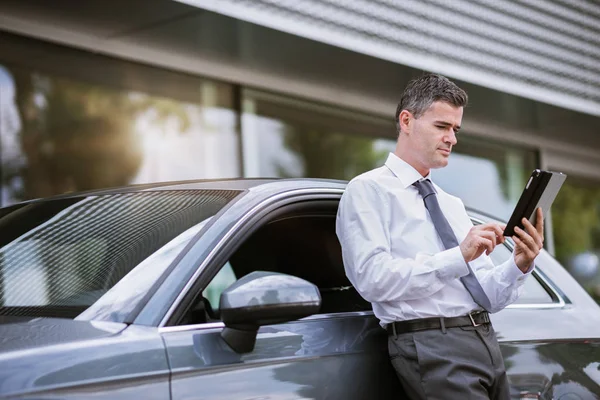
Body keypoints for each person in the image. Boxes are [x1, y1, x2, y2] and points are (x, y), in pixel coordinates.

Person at [335, 73, 544, 400]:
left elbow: (486, 295)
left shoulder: (451, 204)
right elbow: (372, 279)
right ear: (407, 120)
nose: (452, 139)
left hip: (484, 339)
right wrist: (458, 256)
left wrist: (519, 265)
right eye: (441, 126)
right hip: (431, 344)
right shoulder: (367, 190)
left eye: (455, 130)